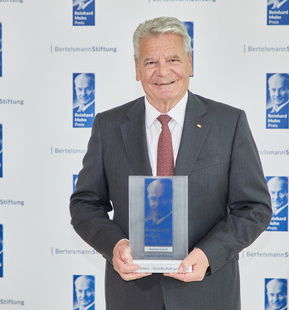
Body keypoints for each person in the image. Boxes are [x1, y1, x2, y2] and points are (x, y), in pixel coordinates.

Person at [70, 16, 272, 309]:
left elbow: (255, 208)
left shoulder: (229, 123)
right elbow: (85, 204)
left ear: (190, 64)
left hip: (208, 294)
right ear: (137, 69)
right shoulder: (108, 126)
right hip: (133, 296)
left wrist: (207, 255)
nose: (163, 72)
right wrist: (116, 245)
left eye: (173, 59)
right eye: (150, 62)